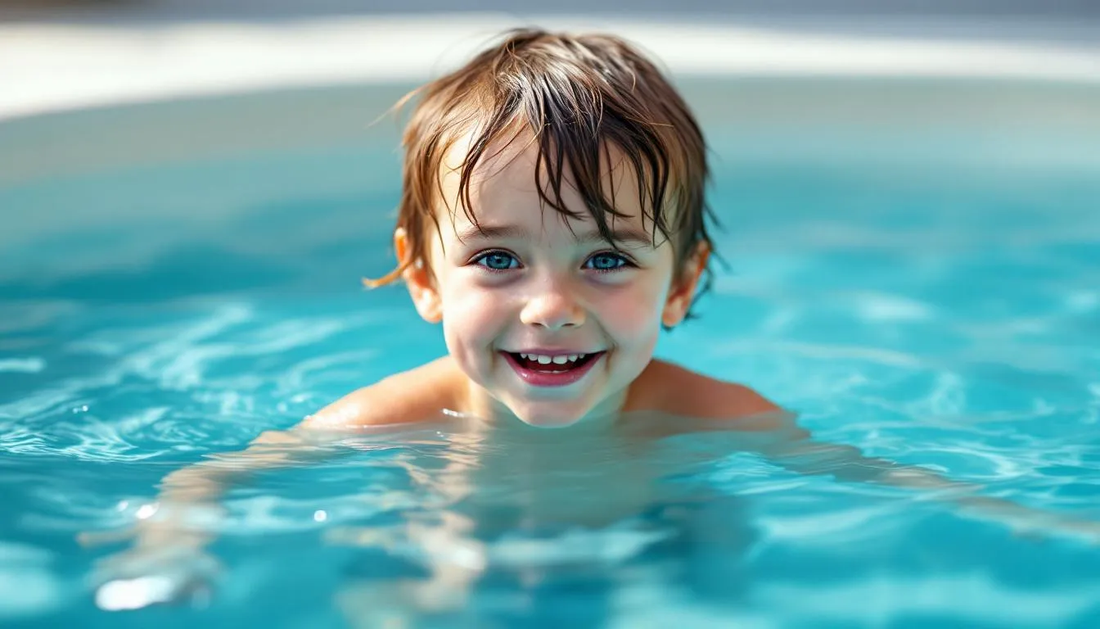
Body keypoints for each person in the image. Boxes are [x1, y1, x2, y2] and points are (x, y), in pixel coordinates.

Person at [83, 29, 1099, 613]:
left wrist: (1043, 526)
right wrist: (171, 538)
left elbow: (882, 483)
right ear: (422, 279)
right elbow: (215, 475)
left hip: (653, 540)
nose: (548, 305)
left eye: (606, 258)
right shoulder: (385, 417)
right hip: (457, 534)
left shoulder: (718, 412)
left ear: (679, 284)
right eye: (494, 257)